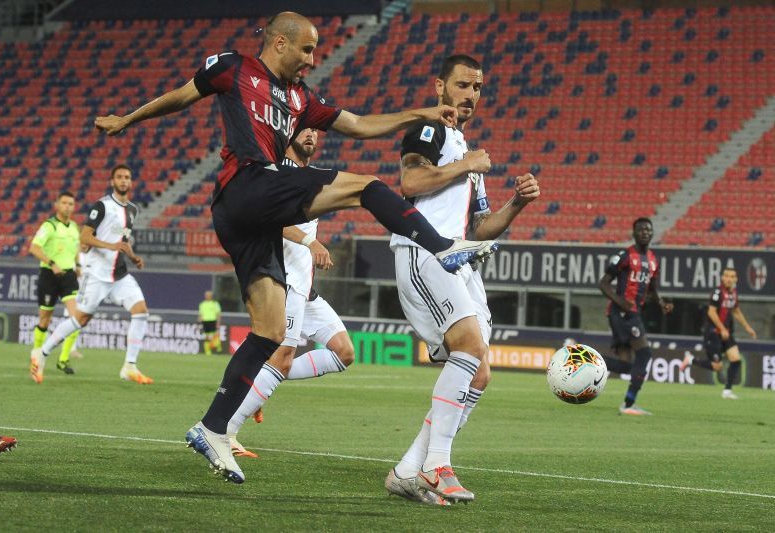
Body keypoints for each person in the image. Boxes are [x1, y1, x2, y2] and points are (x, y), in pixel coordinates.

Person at [94, 12, 498, 484]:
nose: (312, 59)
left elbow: (360, 125)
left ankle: (213, 427)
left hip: (251, 221)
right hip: (248, 183)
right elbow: (181, 96)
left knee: (268, 332)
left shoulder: (302, 98)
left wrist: (420, 112)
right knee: (366, 186)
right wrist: (128, 118)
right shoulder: (232, 68)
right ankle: (441, 246)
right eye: (307, 49)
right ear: (280, 42)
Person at [386, 55, 540, 505]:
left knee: (480, 373)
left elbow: (483, 226)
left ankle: (408, 470)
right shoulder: (429, 129)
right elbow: (410, 181)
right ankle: (438, 466)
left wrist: (517, 203)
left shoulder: (464, 146)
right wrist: (466, 163)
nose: (471, 94)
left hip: (457, 255)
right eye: (463, 85)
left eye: (477, 87)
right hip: (424, 249)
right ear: (440, 86)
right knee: (470, 349)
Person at [226, 128, 355, 458]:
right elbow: (268, 219)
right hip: (284, 282)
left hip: (304, 287)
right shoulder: (277, 173)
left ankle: (258, 383)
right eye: (305, 129)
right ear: (289, 135)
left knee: (343, 353)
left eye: (316, 130)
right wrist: (310, 241)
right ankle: (227, 430)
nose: (311, 134)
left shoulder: (309, 177)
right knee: (281, 360)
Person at [30, 165, 153, 385]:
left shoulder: (133, 209)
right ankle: (42, 353)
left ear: (131, 182)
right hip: (97, 273)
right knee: (80, 318)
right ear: (112, 181)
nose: (124, 180)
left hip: (120, 274)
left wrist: (133, 257)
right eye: (120, 177)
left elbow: (123, 241)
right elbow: (85, 237)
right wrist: (110, 246)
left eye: (127, 177)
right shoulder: (103, 206)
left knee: (141, 311)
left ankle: (130, 366)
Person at [598, 217, 673, 416]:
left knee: (626, 366)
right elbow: (603, 283)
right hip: (622, 313)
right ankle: (629, 404)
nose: (645, 232)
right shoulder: (624, 256)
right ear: (634, 233)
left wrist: (661, 303)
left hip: (633, 312)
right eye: (641, 230)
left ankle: (589, 359)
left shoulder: (652, 259)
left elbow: (653, 287)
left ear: (652, 233)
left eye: (648, 230)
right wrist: (619, 300)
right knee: (645, 353)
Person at [28, 191, 83, 375]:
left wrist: (78, 264)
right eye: (64, 203)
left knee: (77, 318)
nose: (68, 206)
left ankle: (63, 359)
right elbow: (34, 248)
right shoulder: (49, 226)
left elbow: (75, 248)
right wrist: (52, 263)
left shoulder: (74, 227)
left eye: (71, 204)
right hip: (49, 275)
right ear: (57, 205)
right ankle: (36, 355)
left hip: (68, 276)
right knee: (45, 319)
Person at [680, 268, 757, 399]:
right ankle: (691, 360)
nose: (729, 279)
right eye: (726, 276)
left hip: (725, 332)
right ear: (722, 278)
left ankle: (727, 391)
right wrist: (722, 329)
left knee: (736, 359)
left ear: (736, 279)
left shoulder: (733, 293)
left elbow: (736, 311)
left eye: (732, 276)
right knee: (717, 366)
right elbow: (711, 312)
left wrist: (748, 328)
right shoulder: (717, 292)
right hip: (713, 333)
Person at [199, 291, 222, 355]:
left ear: (211, 296)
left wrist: (218, 322)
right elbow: (201, 314)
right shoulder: (202, 304)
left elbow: (218, 314)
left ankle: (218, 347)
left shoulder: (215, 304)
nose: (207, 296)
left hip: (212, 321)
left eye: (208, 295)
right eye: (206, 295)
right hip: (205, 322)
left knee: (214, 336)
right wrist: (199, 322)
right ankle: (207, 351)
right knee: (207, 336)